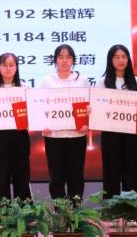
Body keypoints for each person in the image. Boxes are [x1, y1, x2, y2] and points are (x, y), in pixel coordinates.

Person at [95, 44, 137, 198]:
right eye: (117, 57)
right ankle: (111, 209)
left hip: (132, 134)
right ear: (110, 60)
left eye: (124, 57)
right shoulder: (102, 82)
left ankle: (132, 209)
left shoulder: (136, 82)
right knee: (111, 172)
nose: (121, 60)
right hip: (110, 134)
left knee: (132, 172)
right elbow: (98, 107)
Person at [39, 44, 88, 201]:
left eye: (68, 57)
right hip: (54, 137)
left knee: (76, 175)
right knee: (56, 176)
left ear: (73, 60)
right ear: (55, 60)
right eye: (61, 57)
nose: (65, 61)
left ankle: (75, 210)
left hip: (77, 135)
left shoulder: (82, 80)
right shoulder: (46, 82)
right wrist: (42, 125)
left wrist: (86, 122)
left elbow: (89, 106)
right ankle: (59, 211)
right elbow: (39, 107)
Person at [0, 52, 31, 201]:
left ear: (16, 67)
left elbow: (33, 112)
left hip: (21, 135)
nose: (8, 68)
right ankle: (4, 211)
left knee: (22, 174)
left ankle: (24, 210)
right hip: (1, 136)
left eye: (11, 65)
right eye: (4, 65)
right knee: (2, 176)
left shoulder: (24, 88)